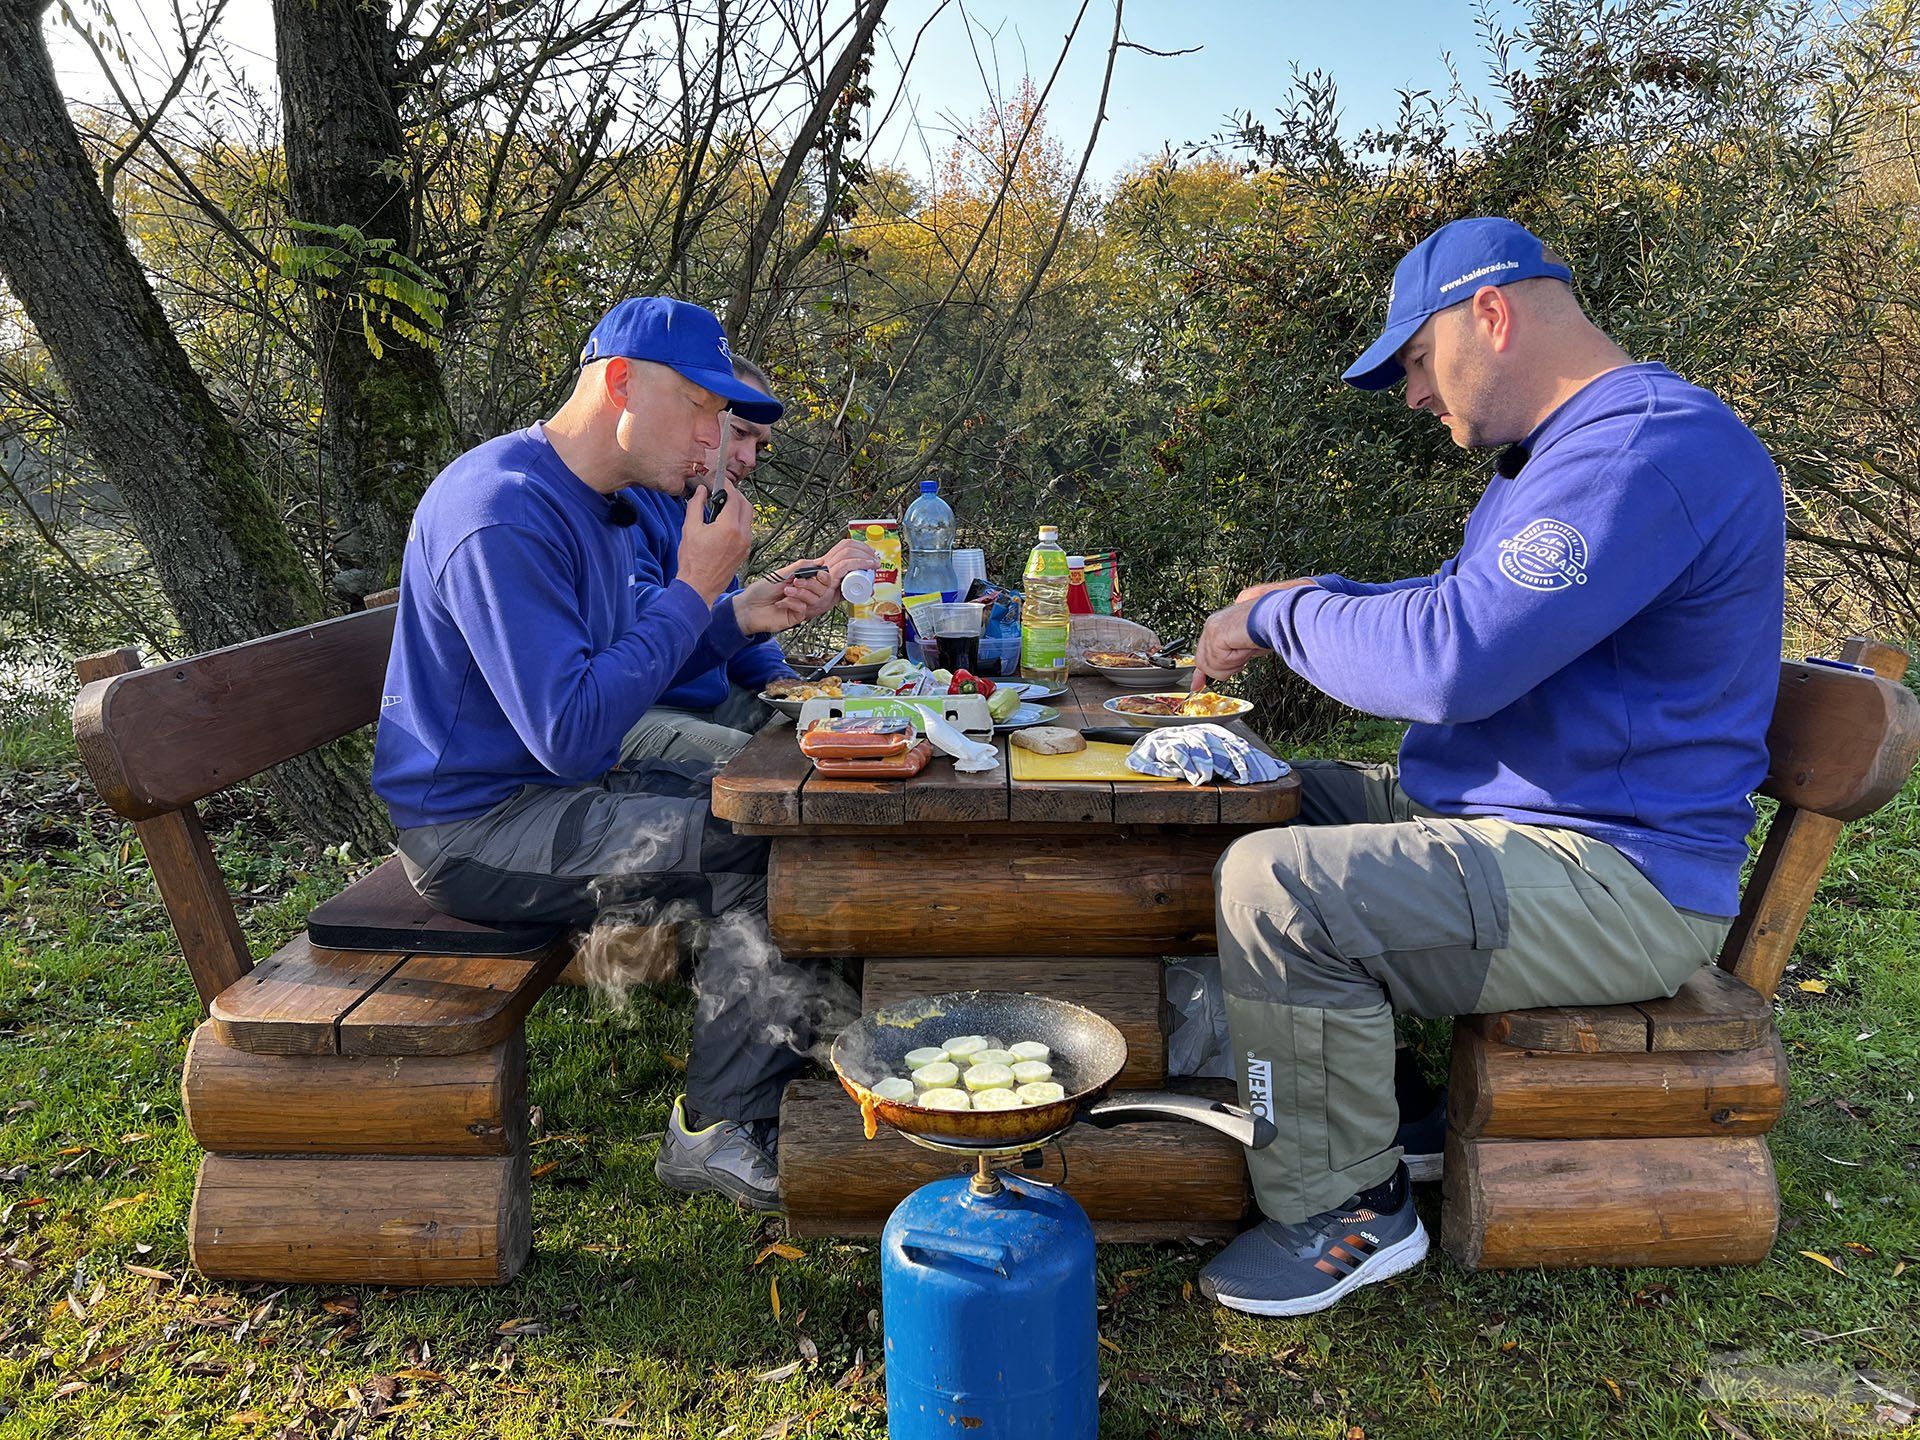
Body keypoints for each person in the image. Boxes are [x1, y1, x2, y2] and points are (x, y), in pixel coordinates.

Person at [1187, 218, 1785, 1316]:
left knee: (1278, 887)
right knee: (1232, 793)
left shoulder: (1648, 448)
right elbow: (1456, 606)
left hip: (1619, 871)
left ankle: (1346, 1212)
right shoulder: (1567, 454)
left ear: (1491, 314)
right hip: (1522, 820)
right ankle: (1389, 1114)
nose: (1413, 393)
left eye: (1414, 360)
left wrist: (1279, 611)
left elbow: (1454, 662)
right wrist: (1298, 599)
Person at [372, 296, 836, 1210]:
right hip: (475, 825)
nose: (717, 441)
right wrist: (698, 585)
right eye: (703, 410)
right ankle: (719, 1128)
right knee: (765, 844)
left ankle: (806, 1043)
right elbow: (574, 727)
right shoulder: (501, 509)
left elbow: (630, 674)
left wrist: (719, 615)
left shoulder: (601, 501)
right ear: (620, 384)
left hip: (562, 780)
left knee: (798, 790)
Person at [620, 354, 879, 767]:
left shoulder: (702, 508)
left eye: (759, 445)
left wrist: (786, 684)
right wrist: (741, 614)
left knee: (853, 728)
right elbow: (642, 632)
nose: (751, 459)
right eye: (739, 433)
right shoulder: (626, 502)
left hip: (712, 703)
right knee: (789, 769)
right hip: (639, 713)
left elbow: (737, 636)